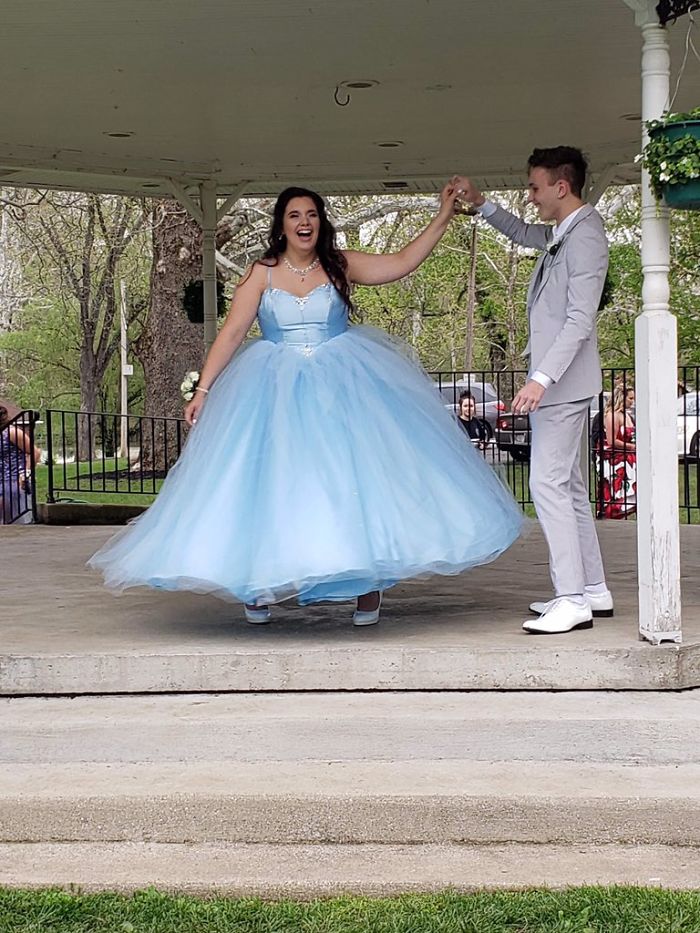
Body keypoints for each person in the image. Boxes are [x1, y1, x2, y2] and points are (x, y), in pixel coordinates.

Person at [89, 182, 522, 626]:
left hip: (345, 384)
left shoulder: (339, 264)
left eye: (312, 214)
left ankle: (366, 587)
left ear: (321, 221)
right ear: (281, 223)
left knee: (358, 479)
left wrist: (444, 215)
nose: (304, 222)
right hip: (271, 387)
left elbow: (401, 262)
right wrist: (203, 390)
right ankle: (256, 586)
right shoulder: (261, 272)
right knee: (266, 482)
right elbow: (234, 331)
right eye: (295, 215)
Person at [454, 147, 613, 635]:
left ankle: (570, 597)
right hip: (562, 385)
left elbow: (579, 320)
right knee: (571, 488)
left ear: (560, 188)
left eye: (534, 186)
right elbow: (524, 233)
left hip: (563, 385)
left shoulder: (585, 237)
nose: (531, 195)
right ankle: (592, 589)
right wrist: (481, 203)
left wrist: (540, 379)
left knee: (546, 485)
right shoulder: (565, 232)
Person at [597, 387, 636, 519]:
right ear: (621, 398)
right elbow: (611, 440)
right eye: (630, 398)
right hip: (616, 456)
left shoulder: (627, 415)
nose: (632, 401)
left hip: (629, 454)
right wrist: (632, 447)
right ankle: (615, 511)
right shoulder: (612, 415)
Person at [0, 402, 42, 525]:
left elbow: (35, 453)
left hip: (13, 480)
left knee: (16, 518)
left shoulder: (12, 432)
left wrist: (25, 473)